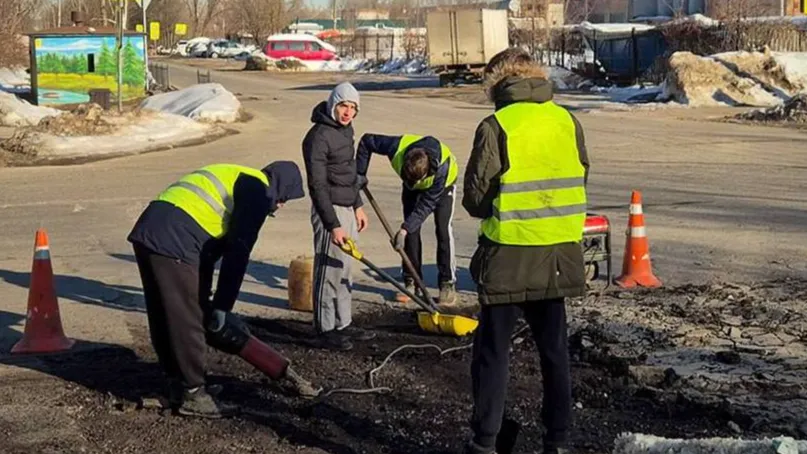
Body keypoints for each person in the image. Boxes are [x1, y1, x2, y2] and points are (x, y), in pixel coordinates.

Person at [461, 48, 590, 454]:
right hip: (558, 255)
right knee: (554, 352)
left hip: (509, 255)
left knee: (493, 353)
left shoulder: (496, 125)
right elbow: (581, 174)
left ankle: (485, 441)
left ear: (496, 83)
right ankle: (558, 440)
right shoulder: (566, 120)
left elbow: (476, 198)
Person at [127, 161, 314, 419]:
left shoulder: (237, 175)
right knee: (186, 318)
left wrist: (209, 302)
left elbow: (208, 249)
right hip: (175, 238)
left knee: (166, 312)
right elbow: (238, 251)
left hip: (153, 229)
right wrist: (224, 307)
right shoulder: (258, 191)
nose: (280, 206)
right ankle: (193, 393)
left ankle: (178, 384)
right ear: (279, 188)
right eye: (284, 199)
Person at [302, 81, 374, 352]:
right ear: (333, 104)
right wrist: (332, 224)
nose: (348, 112)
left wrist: (358, 205)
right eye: (344, 106)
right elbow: (317, 185)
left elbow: (348, 172)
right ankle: (324, 328)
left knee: (345, 270)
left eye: (353, 108)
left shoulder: (346, 130)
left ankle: (343, 323)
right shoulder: (318, 137)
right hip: (328, 211)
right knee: (329, 270)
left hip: (347, 208)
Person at [355, 133, 459, 306]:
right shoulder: (395, 148)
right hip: (413, 188)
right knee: (411, 232)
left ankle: (447, 283)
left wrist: (404, 229)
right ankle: (412, 280)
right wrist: (360, 173)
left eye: (415, 181)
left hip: (443, 187)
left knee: (443, 229)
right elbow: (367, 141)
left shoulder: (442, 169)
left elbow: (426, 206)